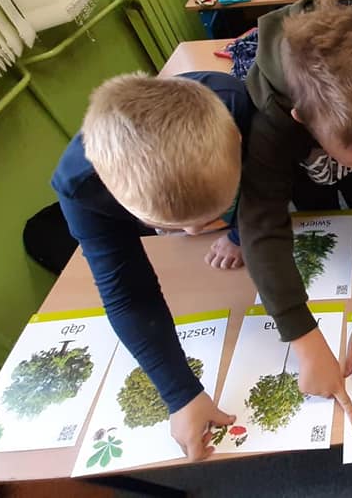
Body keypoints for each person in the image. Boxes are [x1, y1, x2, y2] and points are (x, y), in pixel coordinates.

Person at [53, 71, 250, 461]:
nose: (194, 232)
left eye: (207, 216)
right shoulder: (80, 189)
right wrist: (181, 394)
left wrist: (239, 233)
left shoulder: (236, 104)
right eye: (171, 226)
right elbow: (127, 295)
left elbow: (266, 189)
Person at [237, 0, 352, 416]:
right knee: (318, 205)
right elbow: (262, 228)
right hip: (303, 178)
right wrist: (307, 343)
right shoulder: (273, 121)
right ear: (303, 119)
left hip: (340, 166)